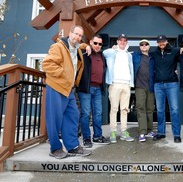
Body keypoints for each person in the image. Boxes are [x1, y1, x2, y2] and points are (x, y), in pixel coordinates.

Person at [42, 25, 91, 159]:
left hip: (69, 89)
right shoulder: (58, 47)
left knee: (73, 115)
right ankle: (55, 148)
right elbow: (47, 64)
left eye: (80, 36)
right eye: (76, 34)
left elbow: (79, 45)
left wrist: (86, 45)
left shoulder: (76, 48)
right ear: (70, 33)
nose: (78, 37)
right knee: (55, 118)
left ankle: (72, 147)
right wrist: (64, 74)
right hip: (57, 86)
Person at [77, 34, 110, 148]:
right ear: (91, 42)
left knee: (98, 114)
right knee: (86, 114)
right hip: (86, 88)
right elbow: (74, 46)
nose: (97, 46)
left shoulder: (102, 56)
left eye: (100, 44)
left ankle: (97, 136)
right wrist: (84, 45)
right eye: (95, 43)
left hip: (98, 88)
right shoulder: (85, 53)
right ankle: (86, 138)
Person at [103, 34, 134, 143]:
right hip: (115, 83)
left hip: (126, 84)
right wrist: (112, 48)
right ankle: (112, 132)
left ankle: (124, 132)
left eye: (124, 41)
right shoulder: (112, 52)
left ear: (126, 42)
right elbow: (103, 53)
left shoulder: (128, 55)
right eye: (120, 40)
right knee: (114, 109)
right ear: (117, 41)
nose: (122, 42)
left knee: (125, 109)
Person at [150, 35, 182, 143]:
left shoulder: (174, 51)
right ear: (157, 43)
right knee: (160, 110)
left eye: (163, 41)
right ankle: (161, 133)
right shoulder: (154, 53)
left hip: (172, 84)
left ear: (166, 41)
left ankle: (177, 134)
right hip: (158, 85)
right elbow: (142, 55)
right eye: (159, 42)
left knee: (175, 109)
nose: (161, 43)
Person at [132, 39, 155, 142]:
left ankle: (149, 130)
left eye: (146, 44)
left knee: (150, 109)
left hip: (150, 87)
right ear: (140, 47)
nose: (144, 46)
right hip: (139, 87)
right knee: (141, 109)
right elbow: (122, 53)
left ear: (149, 46)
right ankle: (142, 132)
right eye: (142, 44)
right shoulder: (135, 56)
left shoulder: (153, 57)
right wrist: (114, 48)